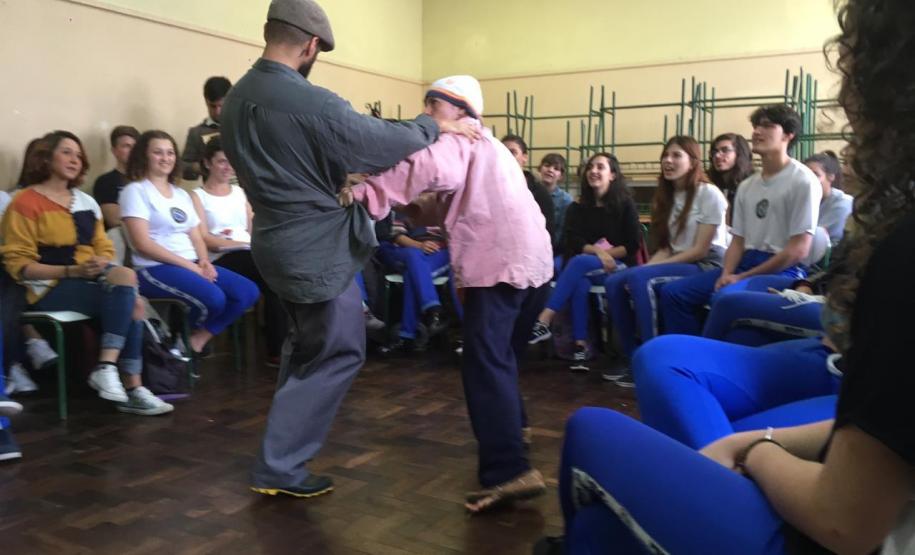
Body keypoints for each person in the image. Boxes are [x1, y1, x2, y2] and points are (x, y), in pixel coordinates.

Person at [540, 2, 915, 552]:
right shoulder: (764, 195)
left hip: (841, 508)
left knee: (592, 439)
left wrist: (756, 451)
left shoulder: (886, 245)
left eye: (852, 75)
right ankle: (691, 476)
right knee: (661, 351)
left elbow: (847, 523)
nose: (844, 102)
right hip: (824, 368)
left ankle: (703, 491)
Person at [219, 0, 477, 499]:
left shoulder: (236, 99)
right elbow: (374, 140)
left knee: (307, 346)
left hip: (272, 242)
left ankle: (279, 456)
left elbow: (289, 165)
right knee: (339, 347)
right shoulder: (306, 99)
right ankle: (280, 466)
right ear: (312, 45)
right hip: (312, 249)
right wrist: (433, 126)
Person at [344, 74, 553, 514]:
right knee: (502, 357)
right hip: (534, 266)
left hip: (499, 264)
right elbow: (440, 198)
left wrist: (362, 193)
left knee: (483, 361)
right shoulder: (493, 148)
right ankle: (515, 429)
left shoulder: (459, 141)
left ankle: (508, 470)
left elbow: (422, 169)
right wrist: (402, 201)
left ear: (459, 110)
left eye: (432, 105)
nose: (425, 113)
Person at [2, 131, 173, 416]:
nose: (75, 159)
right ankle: (132, 387)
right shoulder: (24, 202)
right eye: (66, 152)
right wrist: (72, 270)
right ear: (46, 157)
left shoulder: (86, 202)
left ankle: (107, 367)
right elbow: (19, 266)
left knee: (126, 280)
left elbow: (104, 249)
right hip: (45, 286)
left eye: (79, 155)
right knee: (132, 303)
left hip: (88, 280)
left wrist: (100, 264)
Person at [658, 104, 822, 336]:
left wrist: (740, 278)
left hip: (782, 269)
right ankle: (688, 353)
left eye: (767, 126)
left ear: (788, 134)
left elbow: (798, 251)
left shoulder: (803, 180)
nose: (756, 131)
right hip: (744, 262)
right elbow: (737, 241)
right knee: (673, 292)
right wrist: (727, 273)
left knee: (724, 298)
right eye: (756, 126)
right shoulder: (748, 186)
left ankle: (709, 358)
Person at [601, 136, 728, 385]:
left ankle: (653, 362)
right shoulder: (668, 196)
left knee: (640, 279)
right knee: (615, 281)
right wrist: (640, 271)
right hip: (681, 260)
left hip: (708, 264)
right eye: (665, 156)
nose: (668, 161)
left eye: (676, 155)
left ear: (693, 162)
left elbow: (700, 250)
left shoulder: (708, 193)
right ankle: (632, 356)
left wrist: (642, 274)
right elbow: (667, 249)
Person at [120, 130, 260, 356]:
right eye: (158, 152)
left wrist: (204, 261)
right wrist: (192, 266)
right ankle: (172, 340)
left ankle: (195, 340)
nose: (165, 158)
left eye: (170, 153)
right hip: (153, 268)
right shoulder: (135, 191)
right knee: (214, 299)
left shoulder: (180, 195)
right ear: (144, 156)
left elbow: (195, 236)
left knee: (247, 291)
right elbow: (142, 244)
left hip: (192, 262)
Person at [527, 152, 641, 372]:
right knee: (579, 283)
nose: (593, 171)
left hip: (618, 265)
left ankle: (544, 319)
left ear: (613, 175)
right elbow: (575, 240)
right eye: (590, 167)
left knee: (577, 263)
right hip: (594, 264)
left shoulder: (625, 205)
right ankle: (581, 346)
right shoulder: (578, 208)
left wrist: (607, 255)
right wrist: (599, 253)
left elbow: (632, 244)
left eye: (600, 167)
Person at [190, 136, 288, 366]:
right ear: (207, 163)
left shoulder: (239, 193)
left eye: (231, 161)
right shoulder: (197, 196)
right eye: (222, 161)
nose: (228, 167)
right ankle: (279, 349)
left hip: (249, 254)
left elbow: (253, 228)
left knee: (278, 278)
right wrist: (242, 244)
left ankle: (281, 348)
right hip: (220, 258)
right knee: (272, 271)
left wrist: (257, 243)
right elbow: (206, 238)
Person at [375, 209, 450, 353]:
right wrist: (419, 245)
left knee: (414, 270)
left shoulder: (448, 204)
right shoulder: (399, 209)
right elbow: (396, 235)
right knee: (413, 269)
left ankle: (407, 335)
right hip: (412, 252)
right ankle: (434, 310)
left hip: (440, 252)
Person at [502, 134, 555, 243]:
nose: (507, 156)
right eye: (502, 152)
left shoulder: (539, 192)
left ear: (524, 157)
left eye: (513, 152)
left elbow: (548, 233)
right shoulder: (492, 190)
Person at [182, 76, 231, 182]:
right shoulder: (196, 133)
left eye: (221, 106)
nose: (217, 112)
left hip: (245, 194)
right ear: (206, 101)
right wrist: (202, 166)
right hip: (213, 193)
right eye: (213, 106)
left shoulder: (244, 128)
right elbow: (183, 170)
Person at [93, 125, 140, 230]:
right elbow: (114, 220)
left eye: (135, 146)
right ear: (114, 151)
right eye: (126, 146)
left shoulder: (148, 180)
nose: (132, 151)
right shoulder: (106, 182)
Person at [805, 150, 853, 249]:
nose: (808, 180)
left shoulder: (842, 204)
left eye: (815, 175)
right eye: (805, 174)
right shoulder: (804, 200)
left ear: (831, 177)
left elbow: (809, 241)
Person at [707, 132, 753, 223]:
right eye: (714, 151)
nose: (717, 155)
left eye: (725, 150)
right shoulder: (708, 183)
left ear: (739, 153)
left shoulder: (753, 184)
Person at [538, 153, 572, 256]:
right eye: (547, 165)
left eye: (556, 168)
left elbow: (561, 232)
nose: (550, 170)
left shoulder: (565, 200)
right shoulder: (529, 193)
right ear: (540, 169)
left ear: (561, 176)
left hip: (552, 249)